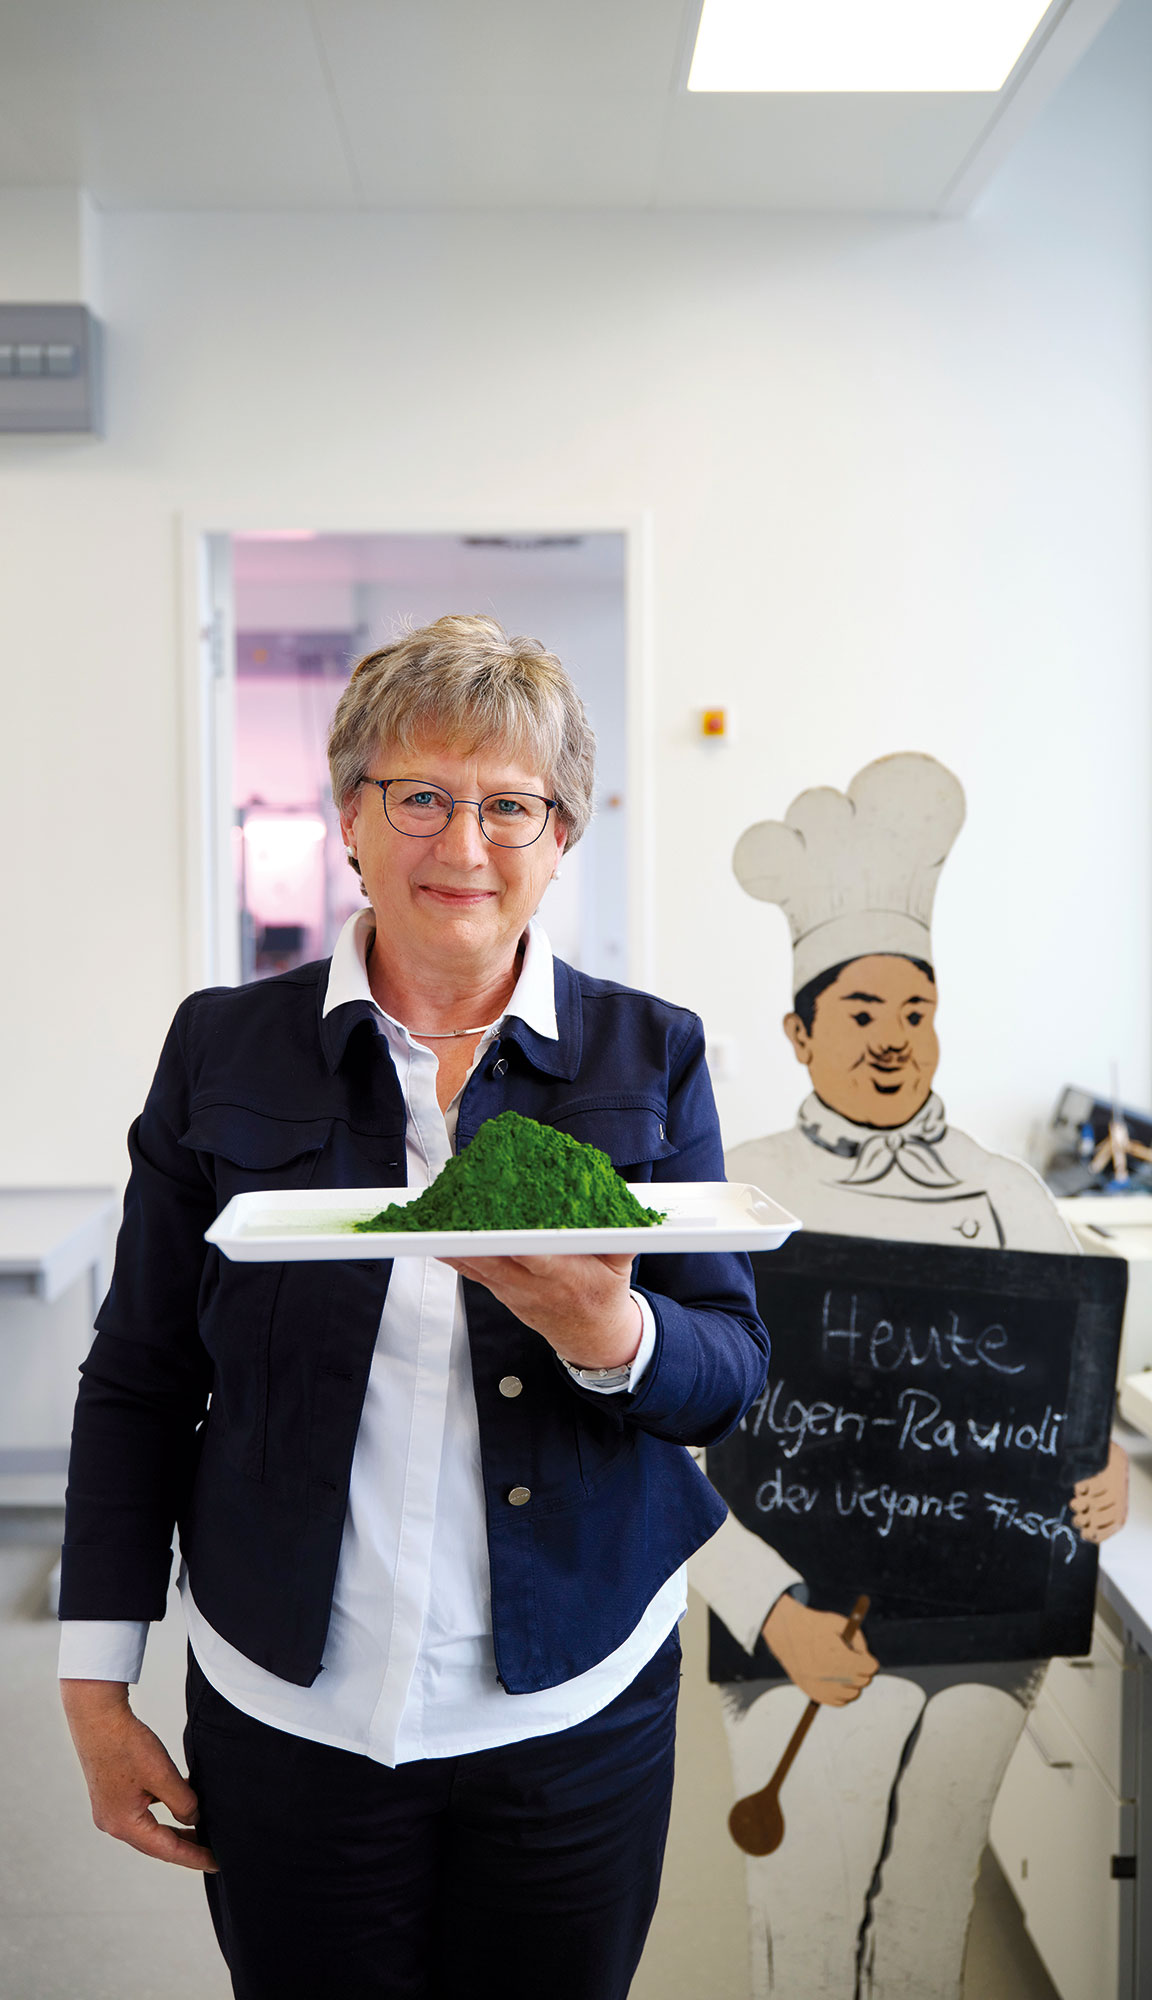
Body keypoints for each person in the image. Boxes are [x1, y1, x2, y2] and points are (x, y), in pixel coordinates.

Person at [58, 614, 770, 2000]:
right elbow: (139, 1373)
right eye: (421, 797)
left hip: (573, 1701)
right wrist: (98, 1683)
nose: (463, 845)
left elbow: (731, 1367)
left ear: (562, 836)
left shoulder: (652, 1053)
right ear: (349, 819)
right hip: (288, 1701)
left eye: (510, 805)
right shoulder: (222, 1048)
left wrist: (608, 1336)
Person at [689, 753, 1126, 2000]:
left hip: (987, 1620)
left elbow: (1073, 1388)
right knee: (814, 1902)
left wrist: (1100, 1475)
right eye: (861, 1013)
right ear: (800, 1029)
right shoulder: (739, 1189)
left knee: (928, 1909)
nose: (891, 1042)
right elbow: (666, 1440)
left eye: (914, 1010)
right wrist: (771, 1610)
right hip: (797, 1615)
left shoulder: (1008, 1193)